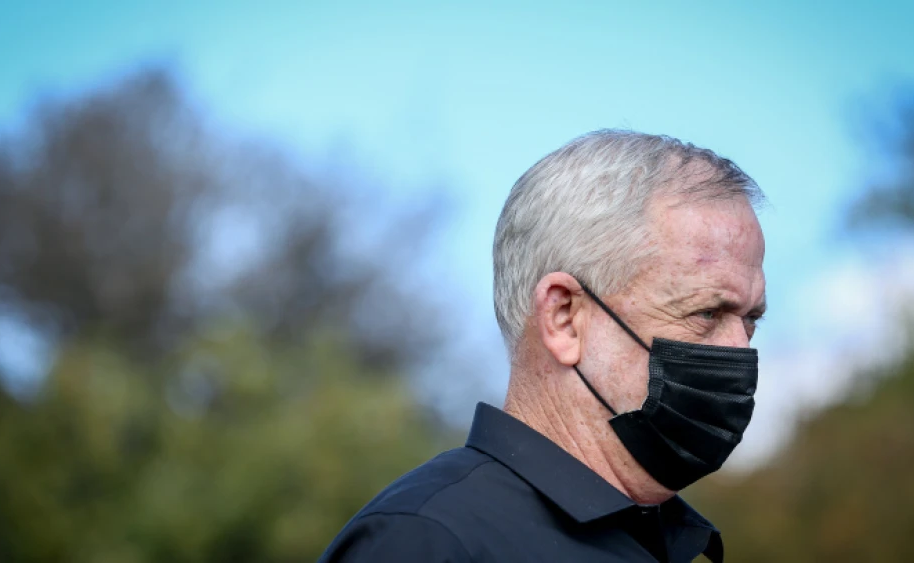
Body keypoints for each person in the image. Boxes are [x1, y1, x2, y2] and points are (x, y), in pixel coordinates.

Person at [319, 130, 767, 562]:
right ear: (564, 318)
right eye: (707, 313)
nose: (740, 350)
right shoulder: (426, 541)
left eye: (750, 319)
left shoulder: (671, 541)